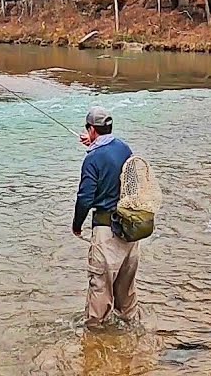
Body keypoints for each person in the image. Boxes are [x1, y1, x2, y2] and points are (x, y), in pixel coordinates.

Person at [72, 106, 139, 328]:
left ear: (92, 129)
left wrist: (77, 225)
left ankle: (94, 347)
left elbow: (85, 198)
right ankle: (133, 338)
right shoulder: (124, 148)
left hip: (106, 231)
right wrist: (94, 144)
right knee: (126, 296)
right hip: (130, 231)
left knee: (100, 290)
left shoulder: (93, 159)